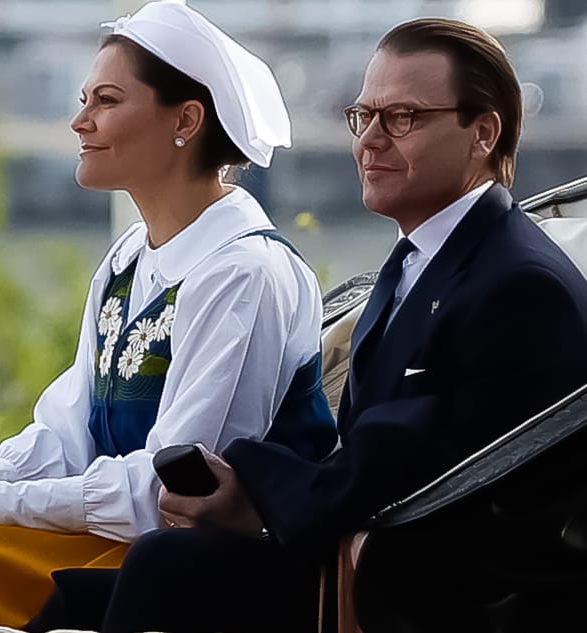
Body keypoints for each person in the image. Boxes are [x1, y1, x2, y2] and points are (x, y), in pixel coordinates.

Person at [31, 17, 587, 633]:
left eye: (401, 118)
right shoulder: (425, 261)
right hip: (369, 539)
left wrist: (255, 494)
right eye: (363, 116)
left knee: (164, 566)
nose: (369, 141)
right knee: (78, 599)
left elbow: (405, 464)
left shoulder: (517, 284)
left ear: (483, 132)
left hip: (432, 587)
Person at [0, 2, 337, 627]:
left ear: (186, 120)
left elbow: (178, 491)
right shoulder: (128, 259)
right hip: (114, 539)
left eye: (106, 101)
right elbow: (66, 431)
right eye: (85, 99)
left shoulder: (243, 272)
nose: (80, 121)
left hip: (185, 571)